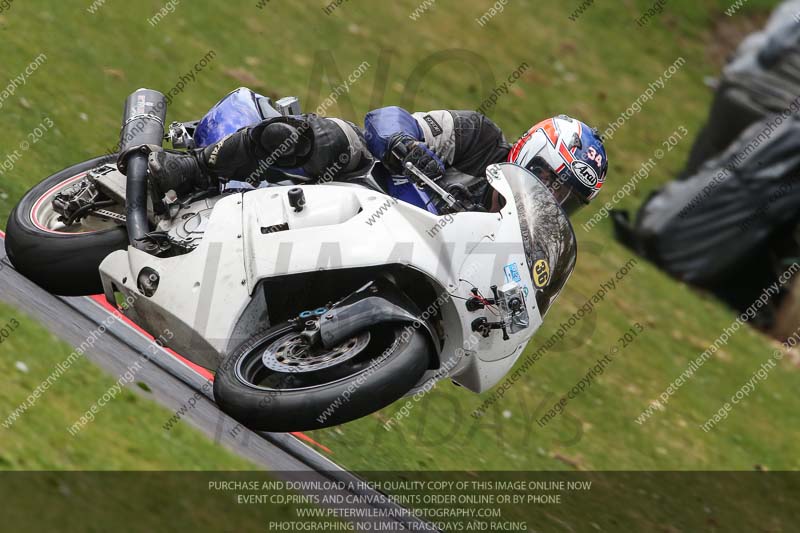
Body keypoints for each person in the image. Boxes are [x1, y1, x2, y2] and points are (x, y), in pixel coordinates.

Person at [145, 106, 608, 215]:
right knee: (315, 139)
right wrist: (407, 147)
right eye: (551, 179)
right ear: (531, 150)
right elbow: (387, 119)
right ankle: (194, 168)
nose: (551, 196)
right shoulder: (479, 137)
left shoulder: (519, 249)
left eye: (568, 197)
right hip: (363, 183)